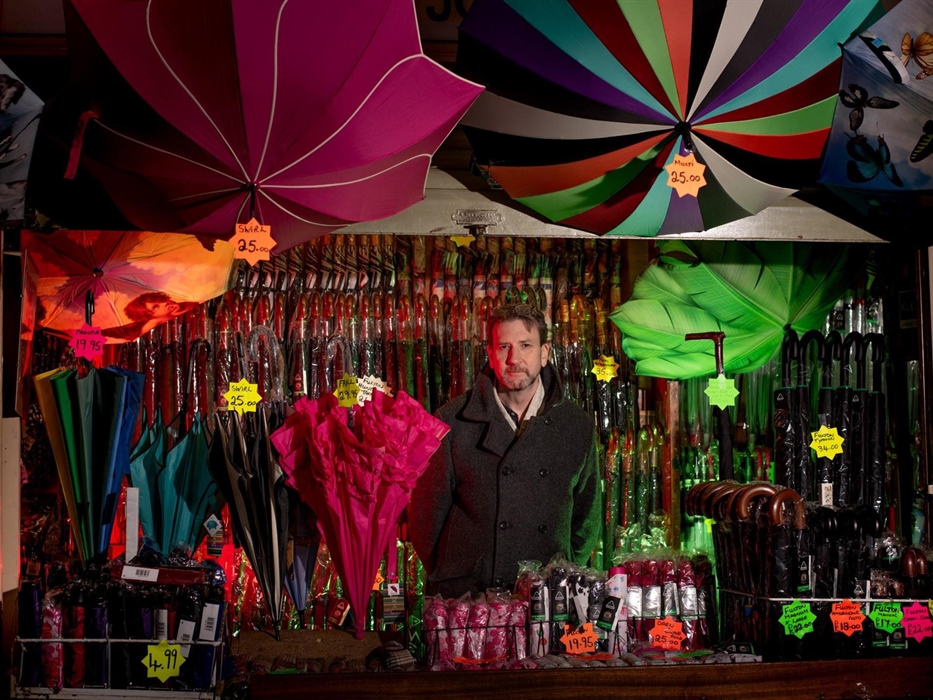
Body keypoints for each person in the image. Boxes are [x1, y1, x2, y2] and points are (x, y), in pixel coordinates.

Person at [409, 303, 602, 599]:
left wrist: (562, 573)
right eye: (503, 347)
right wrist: (452, 576)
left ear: (545, 352)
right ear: (489, 353)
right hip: (469, 600)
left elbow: (587, 522)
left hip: (546, 598)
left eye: (525, 345)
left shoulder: (577, 427)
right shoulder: (452, 421)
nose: (514, 359)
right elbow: (425, 519)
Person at [100, 291, 197, 341]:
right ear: (149, 317)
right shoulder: (148, 330)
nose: (164, 304)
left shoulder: (192, 306)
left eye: (160, 300)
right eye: (156, 307)